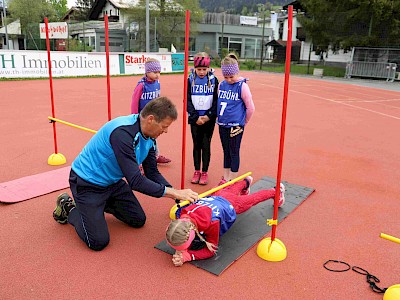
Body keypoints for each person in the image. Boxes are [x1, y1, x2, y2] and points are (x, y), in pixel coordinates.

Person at [53, 97, 198, 251]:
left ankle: (95, 208)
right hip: (87, 183)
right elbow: (135, 181)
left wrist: (176, 195)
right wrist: (174, 193)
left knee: (138, 220)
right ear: (151, 119)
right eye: (164, 126)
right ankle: (69, 207)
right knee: (98, 242)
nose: (166, 131)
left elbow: (152, 173)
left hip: (112, 183)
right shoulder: (122, 133)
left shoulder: (149, 137)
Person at [165, 177, 286, 266]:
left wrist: (188, 256)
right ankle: (246, 182)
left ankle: (276, 191)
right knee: (230, 191)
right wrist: (180, 248)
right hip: (217, 196)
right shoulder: (181, 213)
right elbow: (179, 231)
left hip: (230, 205)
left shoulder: (212, 223)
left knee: (251, 200)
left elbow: (211, 250)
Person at [217, 56, 255, 185]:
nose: (228, 79)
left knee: (234, 151)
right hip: (222, 124)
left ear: (237, 72)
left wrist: (244, 122)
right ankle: (226, 178)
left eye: (231, 77)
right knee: (225, 151)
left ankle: (233, 180)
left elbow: (250, 107)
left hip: (236, 125)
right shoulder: (222, 85)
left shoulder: (242, 86)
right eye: (226, 77)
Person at [187, 52, 219, 185]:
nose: (201, 72)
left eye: (204, 69)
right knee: (196, 145)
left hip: (208, 120)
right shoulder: (190, 80)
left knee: (206, 145)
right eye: (199, 69)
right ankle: (196, 170)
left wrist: (208, 116)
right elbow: (187, 100)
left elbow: (216, 100)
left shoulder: (214, 80)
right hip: (195, 119)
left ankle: (204, 172)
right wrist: (195, 117)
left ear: (208, 68)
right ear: (194, 68)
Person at [131, 58, 171, 164]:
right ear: (147, 72)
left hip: (154, 116)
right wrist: (135, 116)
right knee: (141, 140)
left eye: (159, 72)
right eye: (155, 72)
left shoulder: (157, 83)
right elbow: (134, 101)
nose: (157, 75)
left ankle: (155, 155)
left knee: (153, 136)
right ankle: (138, 162)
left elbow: (158, 99)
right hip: (143, 117)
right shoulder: (141, 85)